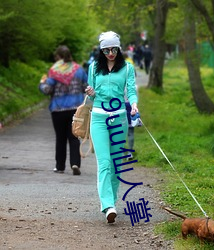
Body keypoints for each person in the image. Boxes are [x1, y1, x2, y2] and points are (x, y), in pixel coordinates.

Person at [85, 31, 138, 223]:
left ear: (119, 48)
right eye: (106, 50)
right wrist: (90, 92)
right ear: (101, 50)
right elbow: (91, 97)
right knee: (105, 163)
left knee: (116, 165)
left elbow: (131, 90)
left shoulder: (127, 68)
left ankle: (112, 201)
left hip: (119, 119)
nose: (110, 53)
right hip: (98, 118)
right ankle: (107, 205)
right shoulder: (93, 68)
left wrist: (134, 104)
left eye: (114, 49)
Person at [39, 45, 88, 175]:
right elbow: (86, 87)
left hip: (58, 109)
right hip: (75, 109)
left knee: (60, 138)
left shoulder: (54, 71)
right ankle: (75, 163)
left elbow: (47, 90)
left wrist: (42, 83)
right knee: (74, 137)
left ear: (58, 57)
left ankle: (60, 166)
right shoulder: (79, 69)